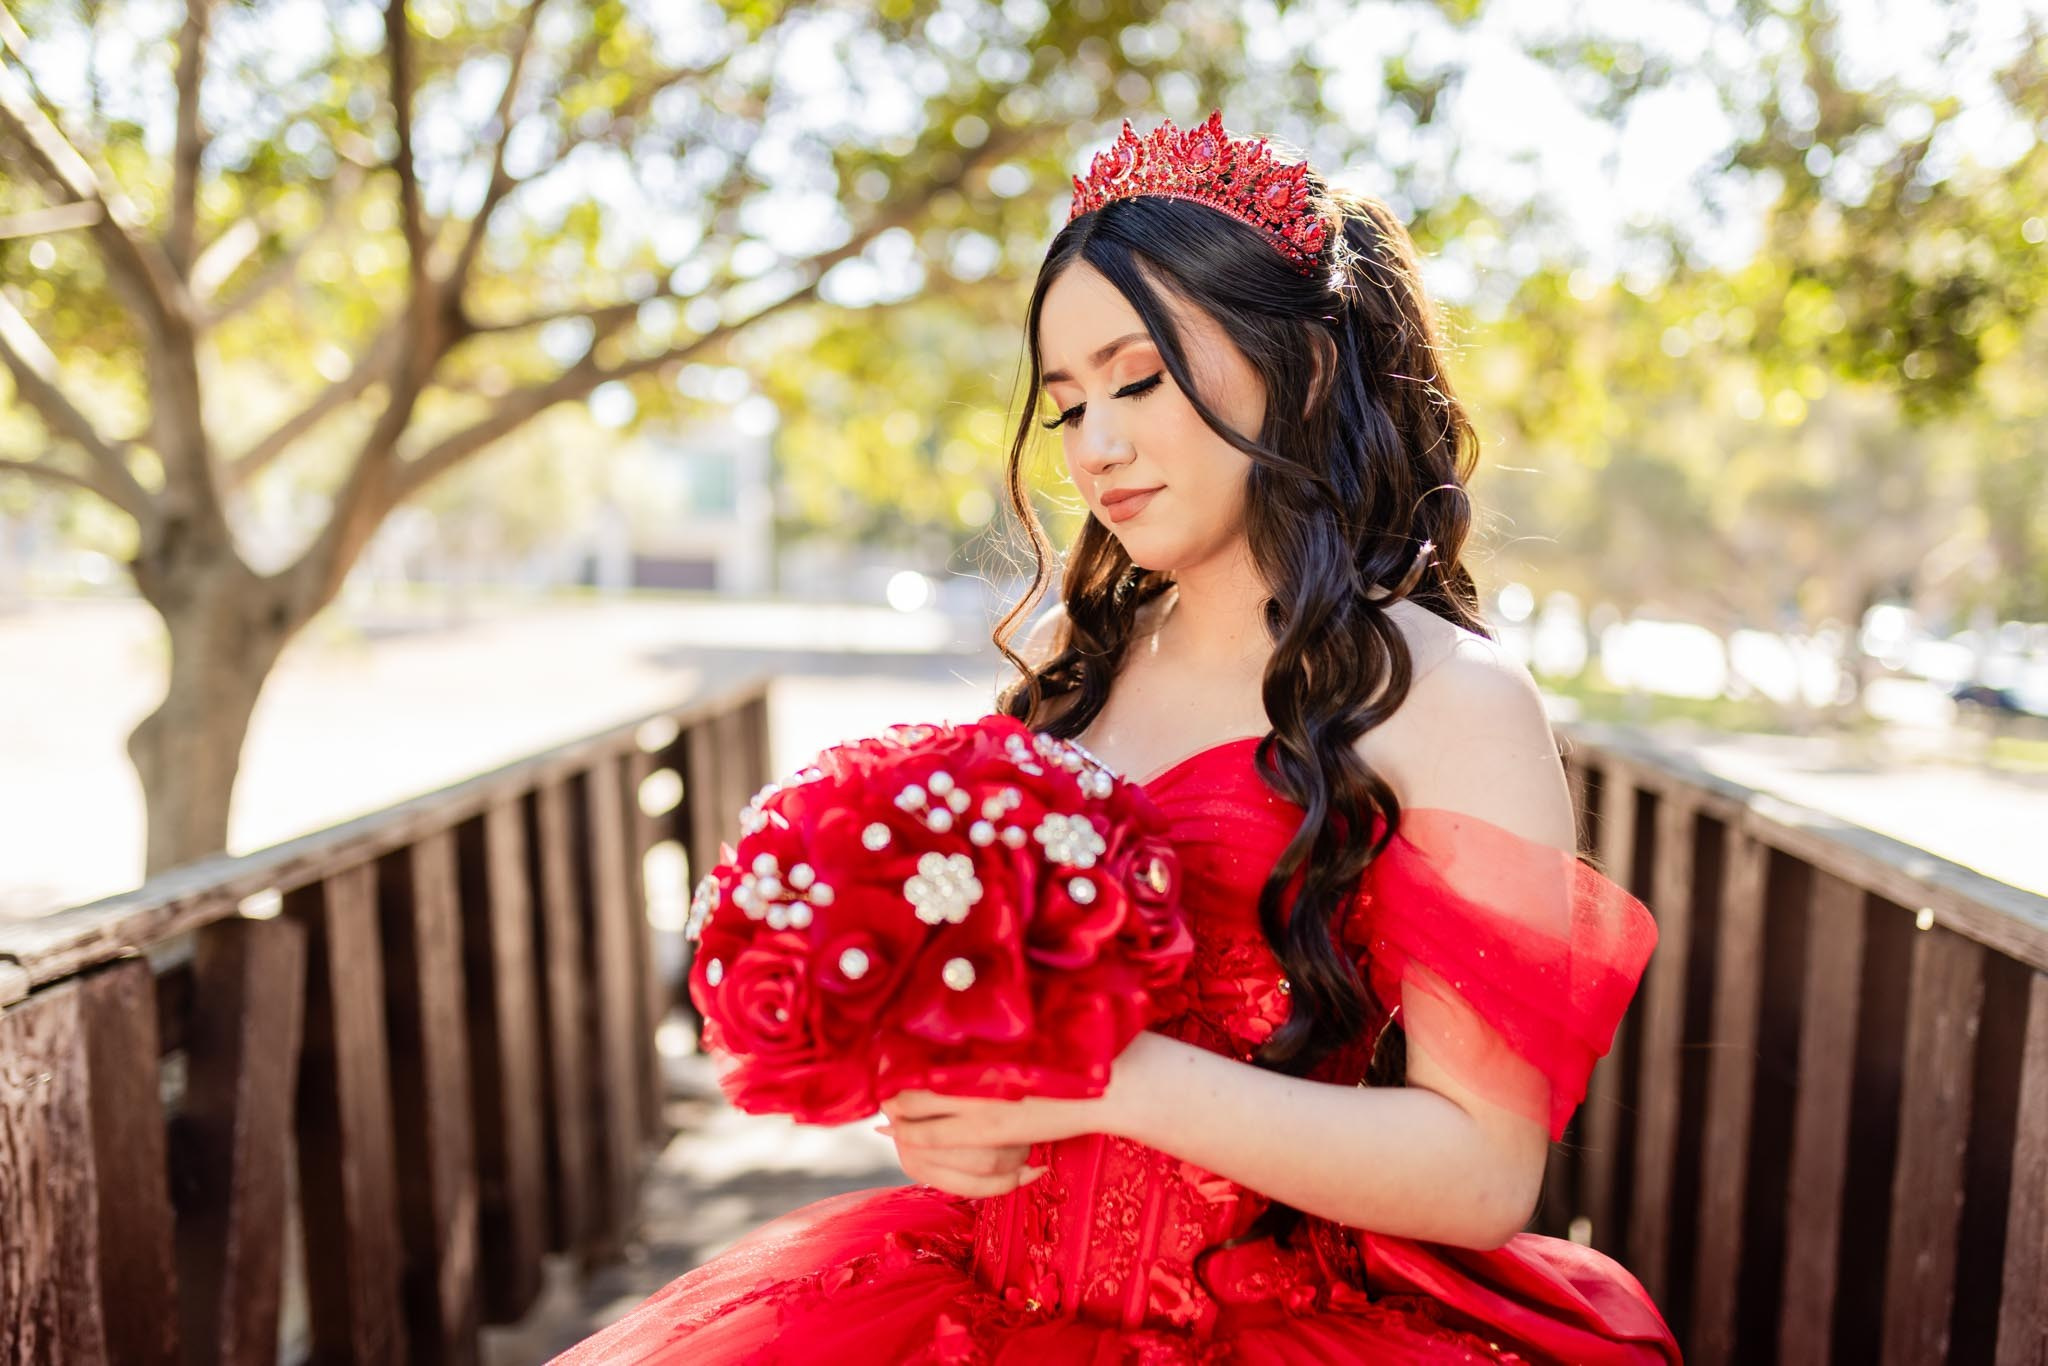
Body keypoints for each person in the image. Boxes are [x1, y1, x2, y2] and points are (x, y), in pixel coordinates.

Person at [550, 110, 1681, 1365]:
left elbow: (1481, 1169)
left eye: (1136, 380)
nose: (1093, 446)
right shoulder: (1068, 672)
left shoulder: (1445, 693)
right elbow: (983, 1032)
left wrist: (1111, 1074)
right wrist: (941, 1121)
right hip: (974, 1303)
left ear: (1300, 366)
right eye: (1066, 402)